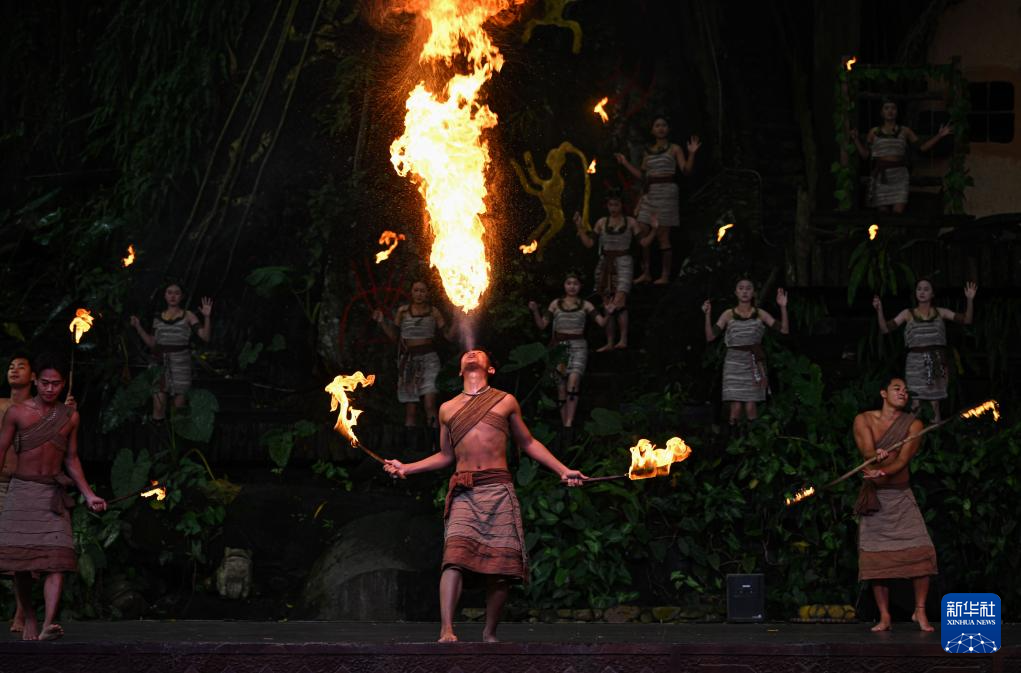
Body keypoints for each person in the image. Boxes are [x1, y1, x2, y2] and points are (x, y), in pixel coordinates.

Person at [383, 349, 586, 642]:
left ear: (491, 369)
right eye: (467, 353)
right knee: (454, 558)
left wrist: (563, 470)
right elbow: (445, 456)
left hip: (498, 488)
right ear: (459, 371)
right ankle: (447, 630)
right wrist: (407, 467)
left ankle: (489, 633)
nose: (472, 353)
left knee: (501, 567)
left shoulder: (505, 401)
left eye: (479, 353)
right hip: (465, 490)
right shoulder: (447, 408)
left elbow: (528, 442)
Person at [0, 354, 107, 641]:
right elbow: (1, 450)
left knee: (57, 560)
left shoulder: (70, 416)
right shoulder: (17, 413)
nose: (50, 389)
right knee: (21, 563)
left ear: (63, 384)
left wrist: (88, 494)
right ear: (36, 381)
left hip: (51, 494)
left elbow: (71, 459)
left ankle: (48, 623)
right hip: (21, 491)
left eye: (56, 384)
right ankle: (29, 616)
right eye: (45, 383)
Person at [853, 376, 936, 633]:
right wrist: (874, 457)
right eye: (896, 388)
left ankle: (919, 611)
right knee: (876, 561)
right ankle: (885, 616)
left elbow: (901, 462)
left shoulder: (914, 424)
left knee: (922, 552)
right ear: (883, 393)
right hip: (875, 499)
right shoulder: (864, 420)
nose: (903, 393)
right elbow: (867, 452)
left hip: (901, 496)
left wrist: (883, 471)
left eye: (906, 390)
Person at [873, 280, 976, 422]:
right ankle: (915, 435)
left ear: (932, 294)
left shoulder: (941, 312)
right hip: (915, 363)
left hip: (936, 362)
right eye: (919, 289)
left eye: (926, 289)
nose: (922, 292)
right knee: (915, 404)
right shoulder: (907, 313)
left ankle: (935, 435)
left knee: (935, 404)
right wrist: (879, 310)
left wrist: (970, 300)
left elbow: (966, 320)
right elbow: (885, 329)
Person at [614, 116, 700, 284]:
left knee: (662, 235)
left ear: (668, 129)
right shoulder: (648, 152)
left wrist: (691, 153)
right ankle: (646, 273)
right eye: (657, 125)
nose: (661, 128)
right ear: (652, 130)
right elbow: (642, 176)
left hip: (667, 192)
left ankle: (665, 275)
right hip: (650, 193)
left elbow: (686, 170)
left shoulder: (674, 148)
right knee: (642, 230)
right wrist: (625, 163)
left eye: (664, 125)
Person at [372, 280, 456, 446]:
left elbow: (448, 336)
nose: (419, 294)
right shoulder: (403, 311)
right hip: (409, 361)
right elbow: (394, 337)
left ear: (428, 293)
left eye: (423, 291)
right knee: (410, 407)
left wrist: (459, 317)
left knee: (430, 405)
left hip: (429, 359)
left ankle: (435, 445)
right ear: (411, 292)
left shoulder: (434, 312)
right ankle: (410, 447)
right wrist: (381, 321)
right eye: (416, 290)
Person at [703, 280, 789, 427]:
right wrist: (707, 314)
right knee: (735, 406)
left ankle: (752, 438)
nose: (744, 291)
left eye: (748, 288)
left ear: (753, 293)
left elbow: (784, 330)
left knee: (751, 406)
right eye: (741, 288)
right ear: (736, 292)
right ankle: (734, 437)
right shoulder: (728, 314)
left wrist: (783, 307)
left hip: (753, 361)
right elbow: (710, 336)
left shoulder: (760, 313)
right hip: (733, 363)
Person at [574, 193, 655, 351]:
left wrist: (654, 229)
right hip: (605, 263)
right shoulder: (601, 222)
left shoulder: (630, 222)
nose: (613, 208)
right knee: (607, 303)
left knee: (619, 301)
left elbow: (644, 243)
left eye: (616, 205)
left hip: (624, 262)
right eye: (610, 205)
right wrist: (579, 228)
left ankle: (623, 339)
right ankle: (610, 342)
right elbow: (589, 244)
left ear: (621, 205)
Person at [528, 273, 608, 429]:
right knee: (561, 386)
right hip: (559, 348)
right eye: (569, 283)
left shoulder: (586, 305)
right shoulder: (555, 304)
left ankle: (569, 422)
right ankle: (565, 423)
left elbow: (602, 322)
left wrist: (609, 312)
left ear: (580, 286)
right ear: (564, 285)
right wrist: (535, 311)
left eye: (575, 283)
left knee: (573, 381)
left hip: (578, 346)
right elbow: (542, 325)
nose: (572, 286)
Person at [851, 98, 952, 213]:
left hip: (899, 175)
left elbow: (922, 148)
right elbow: (865, 155)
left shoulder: (905, 131)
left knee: (898, 214)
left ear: (897, 112)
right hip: (881, 176)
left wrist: (939, 135)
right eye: (886, 108)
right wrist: (855, 139)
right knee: (882, 215)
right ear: (881, 112)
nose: (890, 111)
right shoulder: (874, 132)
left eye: (893, 108)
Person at [130, 283, 212, 421]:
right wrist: (138, 327)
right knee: (158, 408)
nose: (173, 296)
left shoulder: (188, 315)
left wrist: (207, 317)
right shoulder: (158, 317)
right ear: (165, 295)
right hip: (160, 365)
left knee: (178, 411)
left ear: (182, 296)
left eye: (177, 293)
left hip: (180, 365)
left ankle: (175, 434)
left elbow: (205, 337)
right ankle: (159, 432)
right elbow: (152, 343)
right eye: (169, 292)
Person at [0, 353, 35, 633]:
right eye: (11, 366)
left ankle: (22, 612)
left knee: (22, 554)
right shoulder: (0, 405)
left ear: (33, 377)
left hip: (24, 485)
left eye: (21, 366)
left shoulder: (41, 410)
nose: (14, 370)